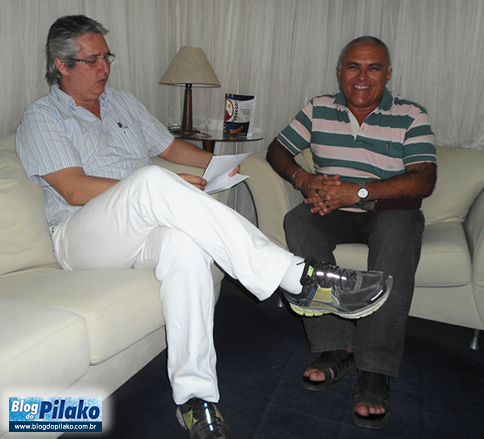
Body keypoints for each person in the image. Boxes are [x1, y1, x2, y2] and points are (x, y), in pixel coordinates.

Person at [16, 17, 392, 439]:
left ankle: (195, 398)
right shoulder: (42, 117)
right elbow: (72, 188)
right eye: (92, 60)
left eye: (107, 57)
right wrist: (166, 183)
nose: (104, 68)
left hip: (138, 231)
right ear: (61, 65)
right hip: (79, 238)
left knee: (186, 246)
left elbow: (171, 147)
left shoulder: (121, 103)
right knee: (152, 179)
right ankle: (296, 277)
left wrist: (225, 164)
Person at [267, 36, 436, 429]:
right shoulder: (318, 108)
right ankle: (336, 345)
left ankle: (375, 366)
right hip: (332, 211)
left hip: (389, 211)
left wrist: (357, 192)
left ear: (387, 75)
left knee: (397, 233)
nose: (362, 77)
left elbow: (424, 180)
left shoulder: (411, 115)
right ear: (339, 71)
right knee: (298, 221)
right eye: (353, 66)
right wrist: (304, 179)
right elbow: (277, 150)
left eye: (373, 67)